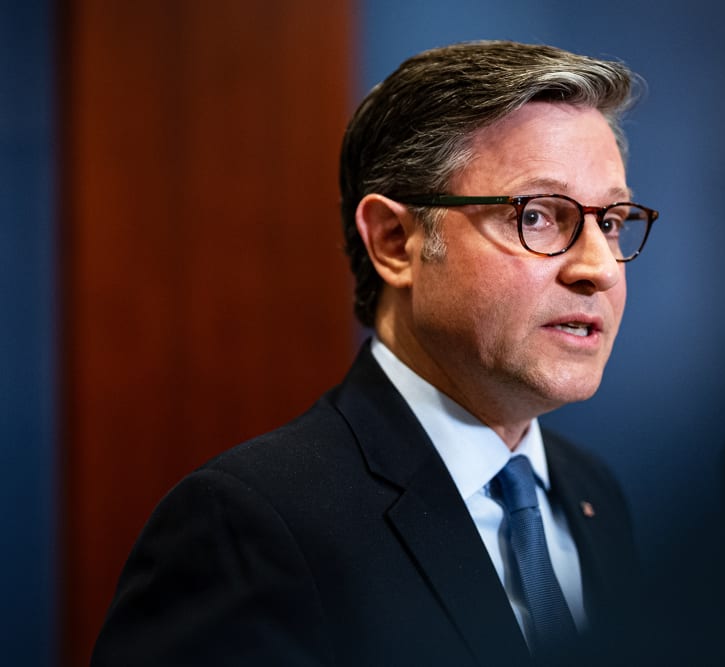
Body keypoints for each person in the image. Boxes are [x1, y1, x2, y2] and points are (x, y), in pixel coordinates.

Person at [92, 41, 657, 666]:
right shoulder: (251, 526)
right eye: (539, 216)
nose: (599, 268)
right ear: (395, 242)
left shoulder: (594, 495)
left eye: (611, 221)